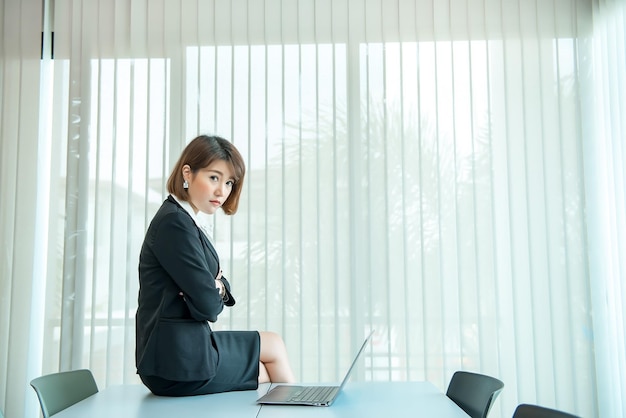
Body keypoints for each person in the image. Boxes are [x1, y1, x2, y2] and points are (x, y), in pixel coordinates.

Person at [135, 135, 295, 396]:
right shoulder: (174, 224)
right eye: (214, 178)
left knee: (272, 350)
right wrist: (214, 287)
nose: (222, 191)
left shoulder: (185, 221)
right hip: (176, 362)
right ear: (188, 173)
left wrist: (215, 286)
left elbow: (217, 290)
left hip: (187, 348)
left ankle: (300, 408)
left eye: (229, 182)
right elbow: (209, 307)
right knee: (269, 364)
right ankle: (303, 410)